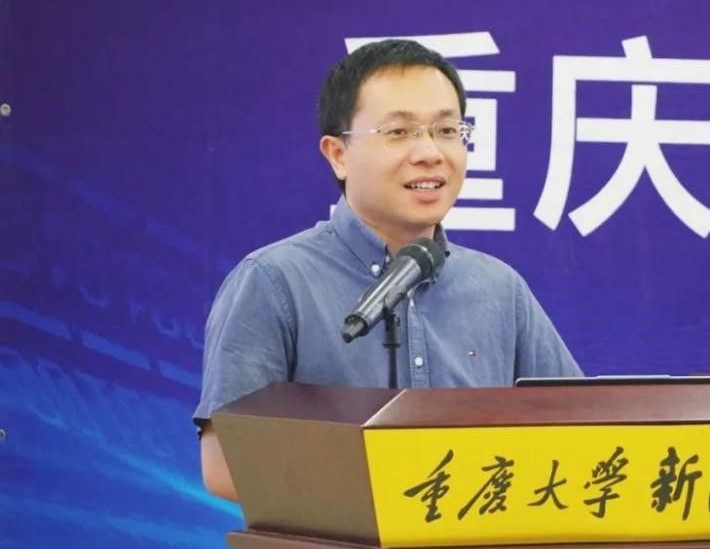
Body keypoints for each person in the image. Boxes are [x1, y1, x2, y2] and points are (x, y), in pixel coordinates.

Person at [194, 39, 582, 502]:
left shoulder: (499, 289)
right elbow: (226, 464)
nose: (429, 153)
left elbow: (581, 432)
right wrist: (397, 498)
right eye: (399, 132)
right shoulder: (275, 281)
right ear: (337, 154)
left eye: (447, 130)